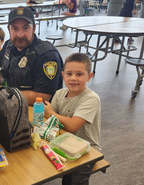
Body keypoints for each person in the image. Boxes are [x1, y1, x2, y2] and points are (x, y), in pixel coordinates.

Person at [0, 6, 63, 105]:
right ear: (9, 29)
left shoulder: (47, 55)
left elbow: (42, 97)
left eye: (26, 28)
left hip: (38, 113)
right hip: (11, 105)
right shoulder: (8, 45)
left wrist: (4, 93)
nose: (20, 34)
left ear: (34, 28)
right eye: (15, 28)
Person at [44, 53, 101, 185]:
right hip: (65, 142)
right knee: (66, 178)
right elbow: (54, 123)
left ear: (89, 77)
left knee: (76, 181)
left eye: (79, 74)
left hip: (87, 150)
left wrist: (50, 113)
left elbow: (73, 125)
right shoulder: (59, 94)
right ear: (63, 75)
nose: (73, 78)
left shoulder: (91, 99)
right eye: (69, 74)